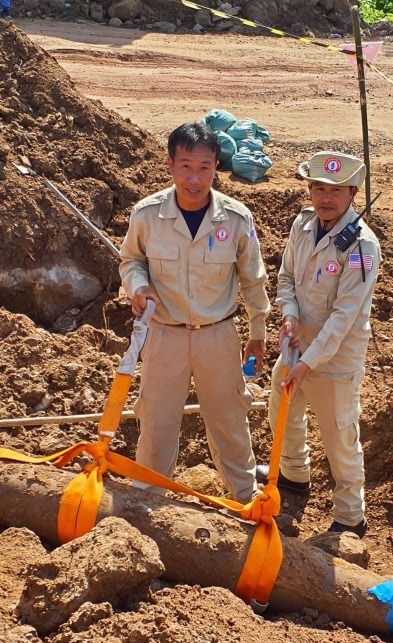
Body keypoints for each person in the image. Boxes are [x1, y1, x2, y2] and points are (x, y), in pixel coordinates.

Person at [119, 122, 270, 503]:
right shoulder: (148, 214)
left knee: (230, 420)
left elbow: (253, 279)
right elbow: (131, 261)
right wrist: (138, 287)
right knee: (156, 422)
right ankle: (147, 501)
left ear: (217, 167)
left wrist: (257, 331)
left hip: (217, 336)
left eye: (204, 167)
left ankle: (243, 498)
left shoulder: (236, 219)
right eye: (186, 166)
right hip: (164, 334)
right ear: (170, 165)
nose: (194, 178)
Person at [257, 151, 381, 537]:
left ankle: (349, 517)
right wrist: (289, 314)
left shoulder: (362, 246)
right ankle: (294, 474)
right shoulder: (303, 225)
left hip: (333, 359)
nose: (325, 198)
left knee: (339, 434)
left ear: (353, 192)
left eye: (336, 191)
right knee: (284, 413)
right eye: (318, 188)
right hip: (296, 346)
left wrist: (308, 363)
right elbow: (287, 277)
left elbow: (344, 317)